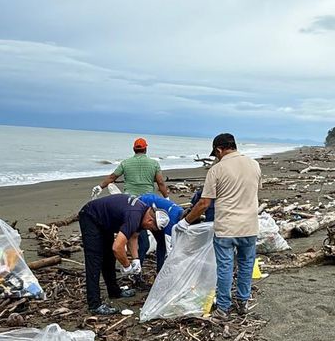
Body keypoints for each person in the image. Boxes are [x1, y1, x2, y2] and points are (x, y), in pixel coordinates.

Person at [176, 133, 261, 319]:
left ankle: (223, 307)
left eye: (216, 154)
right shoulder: (254, 164)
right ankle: (243, 302)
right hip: (250, 226)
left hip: (226, 228)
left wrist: (185, 221)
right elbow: (253, 191)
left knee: (225, 267)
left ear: (219, 150)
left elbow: (204, 203)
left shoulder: (217, 169)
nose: (216, 157)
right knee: (246, 265)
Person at [78, 194, 170, 315]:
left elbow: (133, 236)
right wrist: (127, 266)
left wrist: (136, 259)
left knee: (109, 257)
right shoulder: (135, 215)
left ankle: (114, 291)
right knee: (94, 259)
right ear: (150, 220)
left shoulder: (143, 213)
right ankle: (94, 304)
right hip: (90, 216)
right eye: (152, 228)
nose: (150, 230)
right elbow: (117, 248)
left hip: (105, 222)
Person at [92, 137, 170, 198]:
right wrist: (166, 198)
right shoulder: (154, 163)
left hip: (129, 198)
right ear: (145, 149)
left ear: (133, 149)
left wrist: (100, 187)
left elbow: (112, 177)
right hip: (147, 198)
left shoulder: (125, 163)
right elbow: (160, 182)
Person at [137, 193, 184, 271]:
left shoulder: (180, 211)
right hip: (141, 208)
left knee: (162, 243)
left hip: (156, 217)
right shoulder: (172, 221)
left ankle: (159, 271)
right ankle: (136, 272)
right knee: (144, 245)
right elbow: (169, 249)